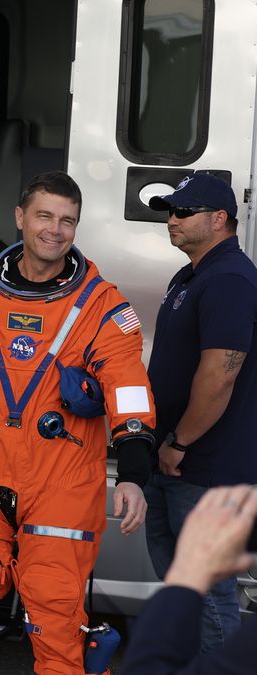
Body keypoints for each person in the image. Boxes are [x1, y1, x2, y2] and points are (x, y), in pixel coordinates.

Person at [0, 171, 155, 674]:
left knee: (59, 622)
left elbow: (129, 393)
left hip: (60, 480)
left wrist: (132, 474)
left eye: (67, 221)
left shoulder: (103, 307)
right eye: (44, 216)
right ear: (20, 218)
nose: (55, 230)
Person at [142, 171, 257, 652]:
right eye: (170, 210)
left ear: (219, 219)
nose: (172, 219)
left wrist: (178, 444)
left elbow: (220, 376)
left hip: (202, 466)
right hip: (173, 460)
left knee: (209, 595)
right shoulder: (191, 275)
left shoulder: (230, 279)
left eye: (183, 212)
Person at [121, 483, 257, 673]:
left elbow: (146, 667)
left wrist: (187, 577)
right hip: (171, 475)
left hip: (198, 477)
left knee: (215, 600)